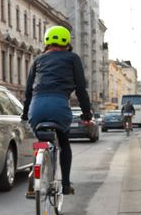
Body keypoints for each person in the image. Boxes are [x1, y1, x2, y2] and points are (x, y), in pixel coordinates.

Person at [22, 26, 92, 197]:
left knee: (40, 142)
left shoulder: (38, 60)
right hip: (59, 105)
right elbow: (81, 89)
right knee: (64, 142)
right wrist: (87, 114)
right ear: (67, 42)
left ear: (47, 41)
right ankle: (66, 185)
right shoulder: (72, 58)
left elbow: (28, 90)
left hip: (36, 108)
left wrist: (25, 115)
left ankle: (35, 173)